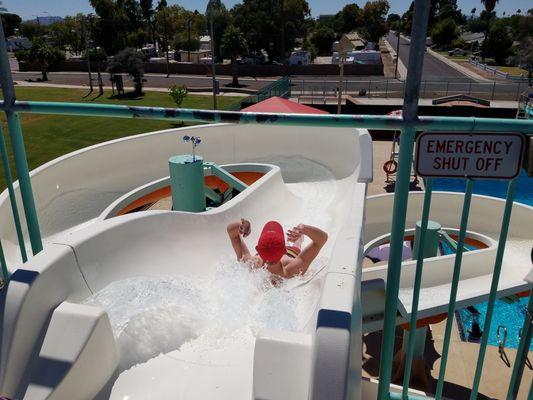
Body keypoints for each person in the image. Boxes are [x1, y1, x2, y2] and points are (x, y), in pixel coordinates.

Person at [226, 219, 328, 279]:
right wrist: (304, 229)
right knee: (296, 242)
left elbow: (232, 233)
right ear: (284, 250)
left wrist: (241, 225)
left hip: (273, 253)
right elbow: (322, 239)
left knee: (294, 240)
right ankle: (297, 233)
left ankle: (296, 234)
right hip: (291, 252)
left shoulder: (252, 264)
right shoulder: (292, 269)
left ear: (257, 249)